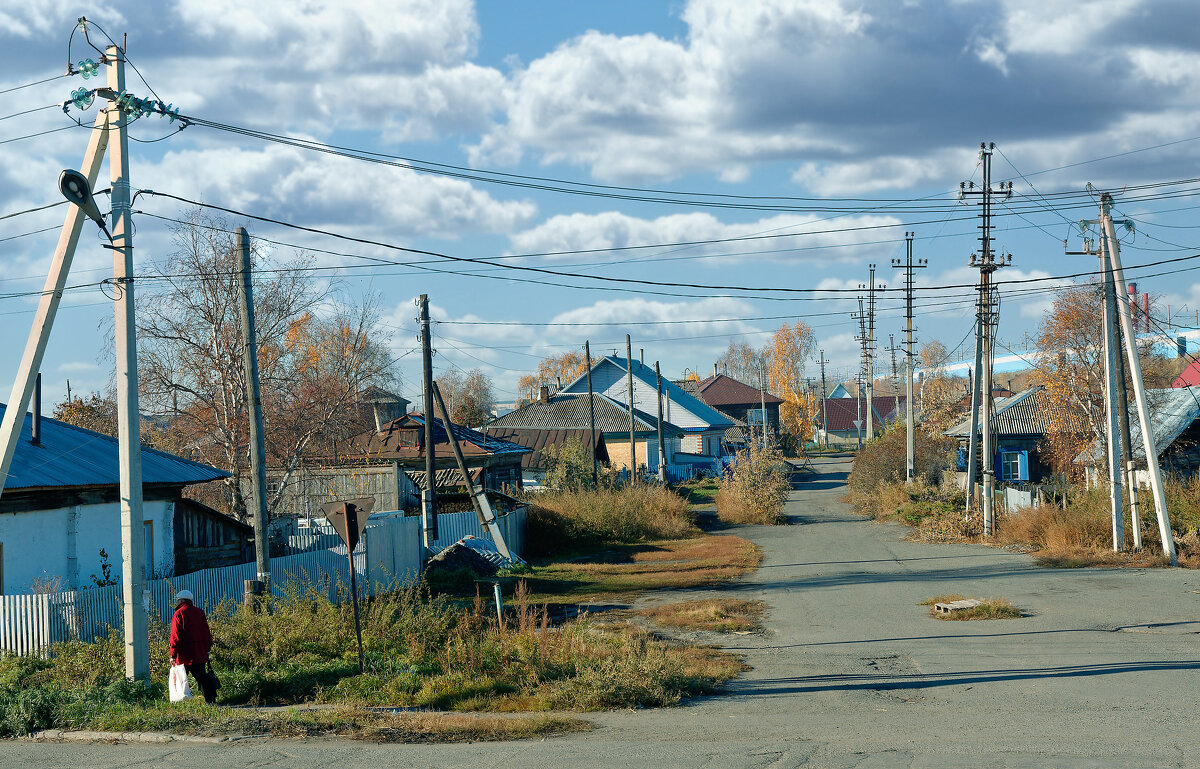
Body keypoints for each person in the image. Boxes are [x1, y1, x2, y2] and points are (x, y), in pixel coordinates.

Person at [168, 589, 217, 703]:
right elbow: (206, 631)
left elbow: (175, 636)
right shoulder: (200, 612)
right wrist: (207, 648)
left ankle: (179, 701)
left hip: (184, 654)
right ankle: (211, 701)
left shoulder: (178, 613)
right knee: (202, 677)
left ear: (180, 600)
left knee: (181, 679)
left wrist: (173, 655)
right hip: (199, 652)